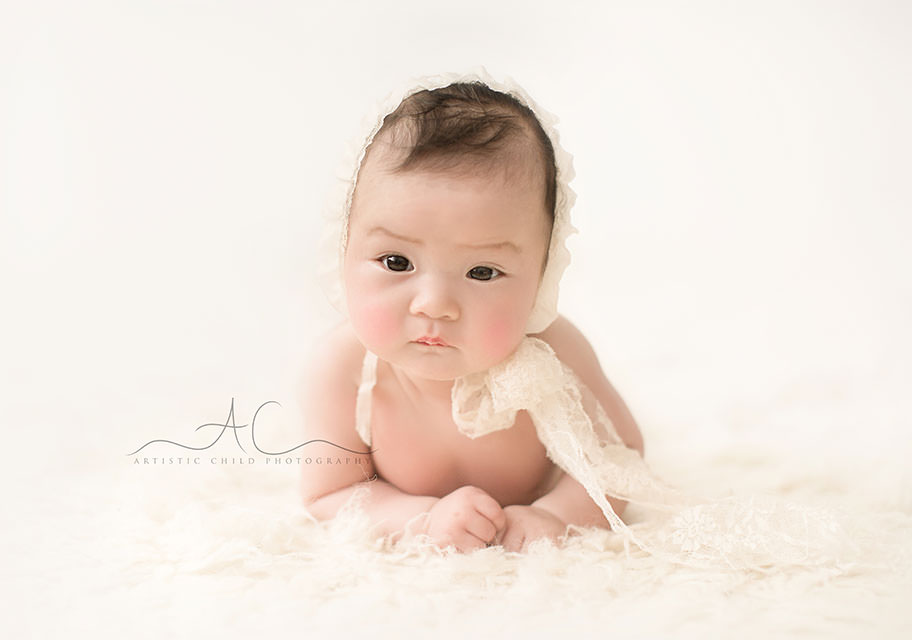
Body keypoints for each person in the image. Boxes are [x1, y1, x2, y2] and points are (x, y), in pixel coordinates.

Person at [297, 69, 850, 567]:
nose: (435, 303)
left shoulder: (554, 353)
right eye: (397, 262)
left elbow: (618, 459)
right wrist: (420, 518)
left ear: (543, 273)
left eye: (483, 272)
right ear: (341, 250)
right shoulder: (343, 367)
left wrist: (558, 516)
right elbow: (330, 493)